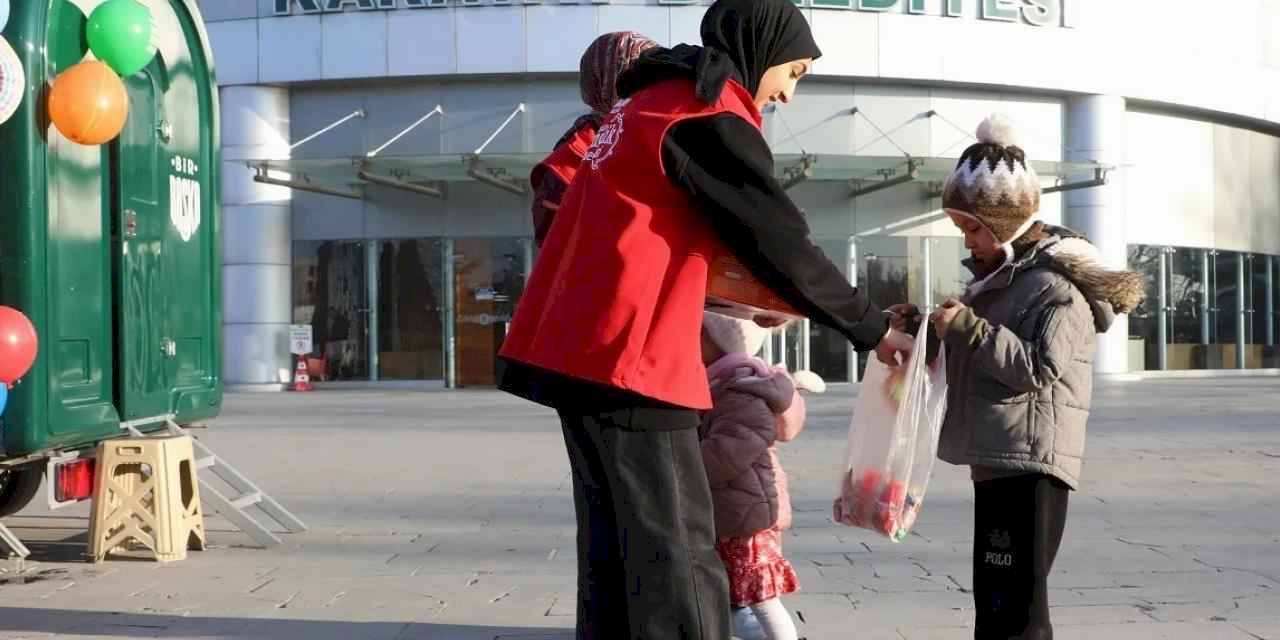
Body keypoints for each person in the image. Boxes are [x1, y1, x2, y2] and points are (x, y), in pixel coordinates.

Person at [499, 0, 913, 636]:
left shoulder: (647, 107)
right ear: (761, 51)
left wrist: (764, 298)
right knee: (679, 555)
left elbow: (671, 239)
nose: (789, 95)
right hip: (628, 360)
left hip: (577, 355)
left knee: (616, 554)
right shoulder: (701, 114)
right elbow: (780, 240)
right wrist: (872, 328)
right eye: (794, 72)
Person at [893, 114, 1145, 640]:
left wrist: (966, 325)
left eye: (973, 228)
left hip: (1032, 463)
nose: (967, 241)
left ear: (1004, 223)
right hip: (1000, 457)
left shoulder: (1056, 287)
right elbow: (973, 350)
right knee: (995, 599)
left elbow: (1037, 367)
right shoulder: (1003, 280)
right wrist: (923, 329)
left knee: (1017, 609)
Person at [699, 312, 824, 640]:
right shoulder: (721, 382)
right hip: (732, 508)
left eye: (697, 334)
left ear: (719, 341)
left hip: (750, 516)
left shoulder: (740, 389)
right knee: (732, 596)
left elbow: (733, 448)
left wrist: (688, 464)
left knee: (762, 597)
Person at [529, 31, 658, 247]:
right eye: (645, 76)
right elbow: (562, 253)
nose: (657, 89)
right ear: (612, 81)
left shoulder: (665, 140)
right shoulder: (567, 166)